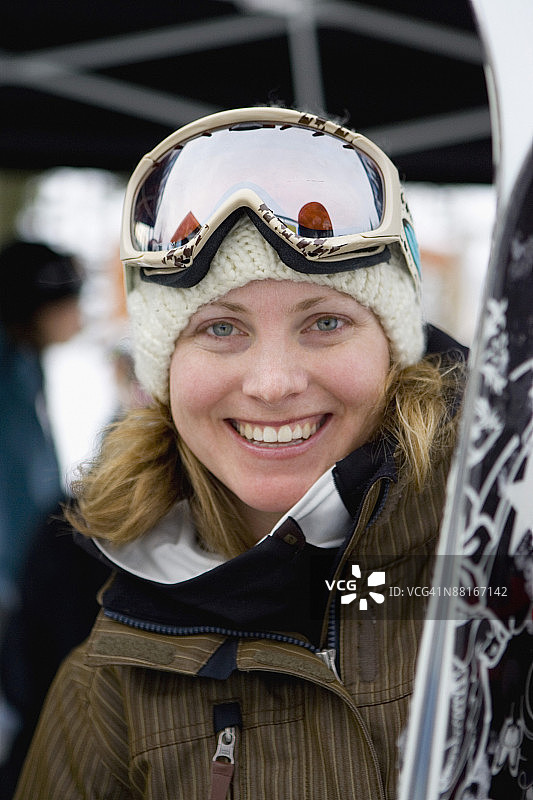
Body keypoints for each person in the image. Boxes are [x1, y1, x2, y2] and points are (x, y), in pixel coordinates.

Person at [15, 107, 467, 799]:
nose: (273, 384)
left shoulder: (504, 580)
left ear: (393, 350)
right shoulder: (107, 692)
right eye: (221, 328)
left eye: (325, 322)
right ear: (166, 373)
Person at [0, 241, 83, 613]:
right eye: (70, 303)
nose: (78, 318)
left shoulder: (25, 359)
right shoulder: (10, 367)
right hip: (14, 579)